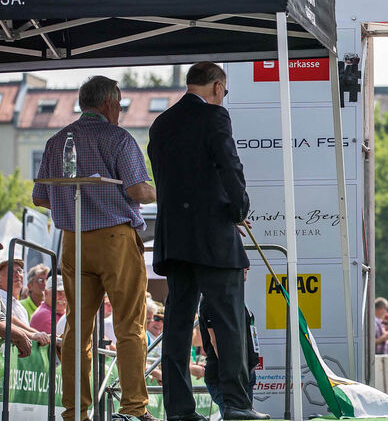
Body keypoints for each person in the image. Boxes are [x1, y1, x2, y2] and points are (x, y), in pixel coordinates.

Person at [31, 75, 157, 421]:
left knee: (75, 327)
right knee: (130, 325)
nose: (119, 111)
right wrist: (161, 192)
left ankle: (75, 411)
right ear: (108, 104)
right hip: (115, 239)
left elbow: (40, 196)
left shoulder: (57, 141)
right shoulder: (117, 138)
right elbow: (137, 191)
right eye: (118, 105)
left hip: (73, 240)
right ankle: (133, 407)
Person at [149, 62, 266, 421]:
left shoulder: (161, 123)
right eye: (224, 91)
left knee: (178, 325)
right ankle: (236, 405)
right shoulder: (215, 117)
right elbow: (230, 165)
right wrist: (239, 207)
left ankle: (179, 410)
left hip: (176, 241)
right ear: (217, 87)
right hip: (214, 238)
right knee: (229, 322)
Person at [201, 268, 261, 419]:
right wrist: (233, 374)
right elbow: (215, 341)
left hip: (245, 372)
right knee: (237, 418)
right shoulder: (212, 298)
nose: (247, 267)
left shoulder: (235, 296)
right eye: (242, 263)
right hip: (227, 375)